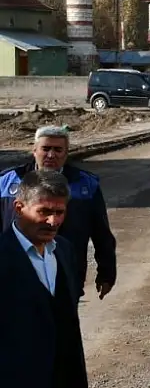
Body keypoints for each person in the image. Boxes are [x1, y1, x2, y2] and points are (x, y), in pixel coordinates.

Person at [0, 125, 117, 301]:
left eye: (57, 150)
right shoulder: (7, 182)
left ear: (66, 153)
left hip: (67, 275)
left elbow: (101, 232)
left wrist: (107, 273)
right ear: (34, 150)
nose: (51, 155)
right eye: (45, 149)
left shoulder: (85, 185)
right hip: (15, 274)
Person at [0, 169, 89, 388]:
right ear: (19, 208)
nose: (53, 221)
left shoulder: (64, 250)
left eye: (60, 212)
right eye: (44, 212)